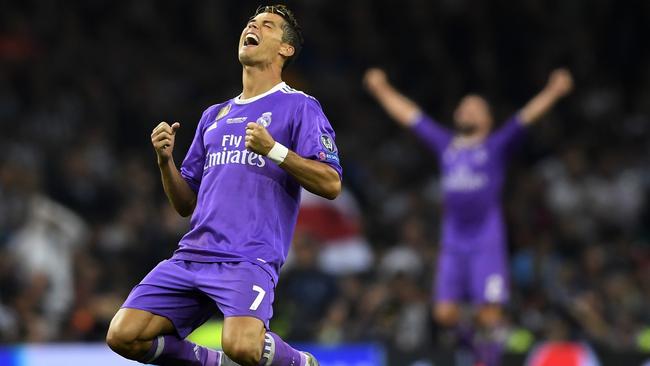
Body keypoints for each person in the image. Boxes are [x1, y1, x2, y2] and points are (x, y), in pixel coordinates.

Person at [106, 5, 342, 366]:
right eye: (251, 22)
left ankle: (300, 363)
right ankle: (213, 363)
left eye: (267, 25)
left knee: (243, 347)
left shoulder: (300, 107)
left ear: (286, 49)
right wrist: (164, 161)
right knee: (124, 336)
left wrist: (275, 150)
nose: (253, 26)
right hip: (193, 254)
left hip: (248, 256)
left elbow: (331, 183)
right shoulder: (213, 115)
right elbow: (186, 204)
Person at [364, 67, 573, 365]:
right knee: (443, 313)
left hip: (486, 240)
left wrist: (553, 90)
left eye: (474, 107)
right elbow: (410, 115)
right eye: (463, 106)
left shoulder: (495, 146)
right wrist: (380, 89)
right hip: (453, 242)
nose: (466, 110)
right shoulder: (445, 145)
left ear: (487, 120)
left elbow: (527, 116)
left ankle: (485, 357)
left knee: (489, 315)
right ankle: (476, 351)